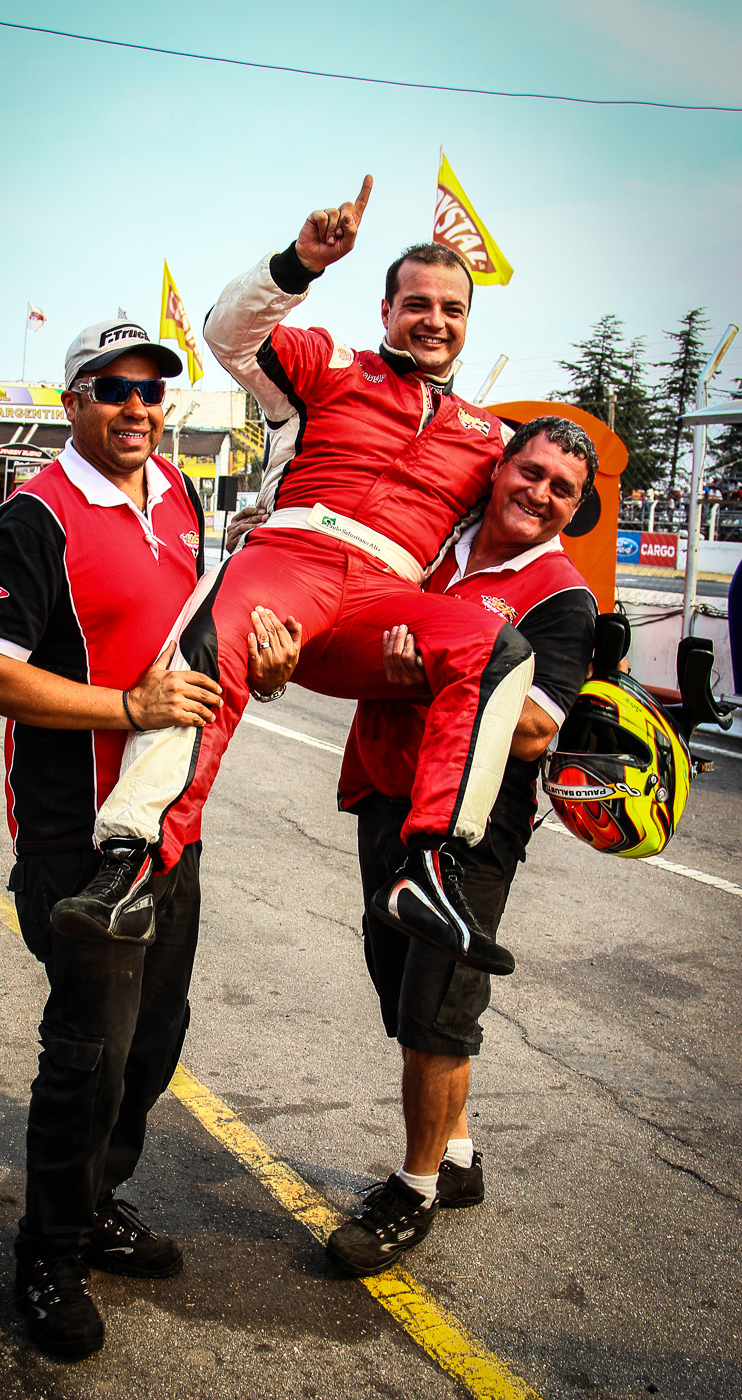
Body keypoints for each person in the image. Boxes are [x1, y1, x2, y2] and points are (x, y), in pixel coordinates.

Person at [52, 177, 535, 979]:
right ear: (386, 312)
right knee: (210, 636)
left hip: (390, 597)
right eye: (416, 303)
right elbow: (228, 338)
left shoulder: (491, 438)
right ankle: (132, 865)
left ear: (467, 324)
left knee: (499, 649)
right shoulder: (330, 363)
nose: (433, 320)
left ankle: (431, 871)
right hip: (292, 560)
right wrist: (300, 260)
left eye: (451, 309)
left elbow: (541, 520)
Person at [0, 318, 299, 1360]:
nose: (138, 405)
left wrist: (265, 661)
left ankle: (98, 1200)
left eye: (154, 387)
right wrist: (129, 707)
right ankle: (48, 1249)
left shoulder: (185, 499)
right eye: (114, 388)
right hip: (75, 842)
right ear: (74, 402)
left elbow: (201, 638)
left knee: (153, 1043)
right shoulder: (34, 516)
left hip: (169, 827)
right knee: (90, 1058)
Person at [324, 418, 598, 1275]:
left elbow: (528, 729)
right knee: (396, 983)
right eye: (531, 471)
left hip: (471, 825)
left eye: (563, 489)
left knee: (437, 1011)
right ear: (499, 468)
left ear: (576, 508)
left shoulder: (560, 596)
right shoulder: (436, 541)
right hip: (386, 788)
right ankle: (458, 1157)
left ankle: (411, 1189)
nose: (540, 493)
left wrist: (432, 669)